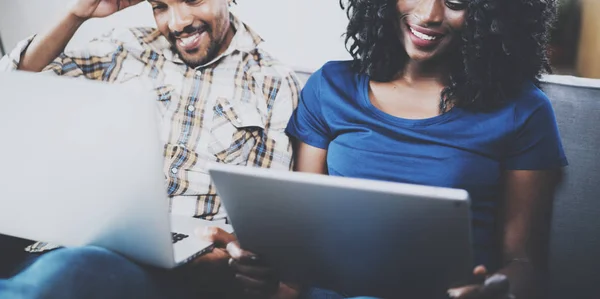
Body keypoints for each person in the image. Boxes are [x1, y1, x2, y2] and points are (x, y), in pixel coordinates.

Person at [230, 0, 567, 298]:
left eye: (456, 2)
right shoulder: (330, 87)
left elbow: (524, 264)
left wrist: (498, 291)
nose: (428, 14)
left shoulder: (523, 111)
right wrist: (268, 277)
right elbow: (302, 243)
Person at [0, 0, 302, 298]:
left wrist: (233, 254)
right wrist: (74, 14)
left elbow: (263, 220)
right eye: (160, 6)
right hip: (88, 236)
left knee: (71, 270)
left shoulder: (273, 82)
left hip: (191, 264)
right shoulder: (125, 46)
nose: (177, 22)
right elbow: (15, 86)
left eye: (192, 0)